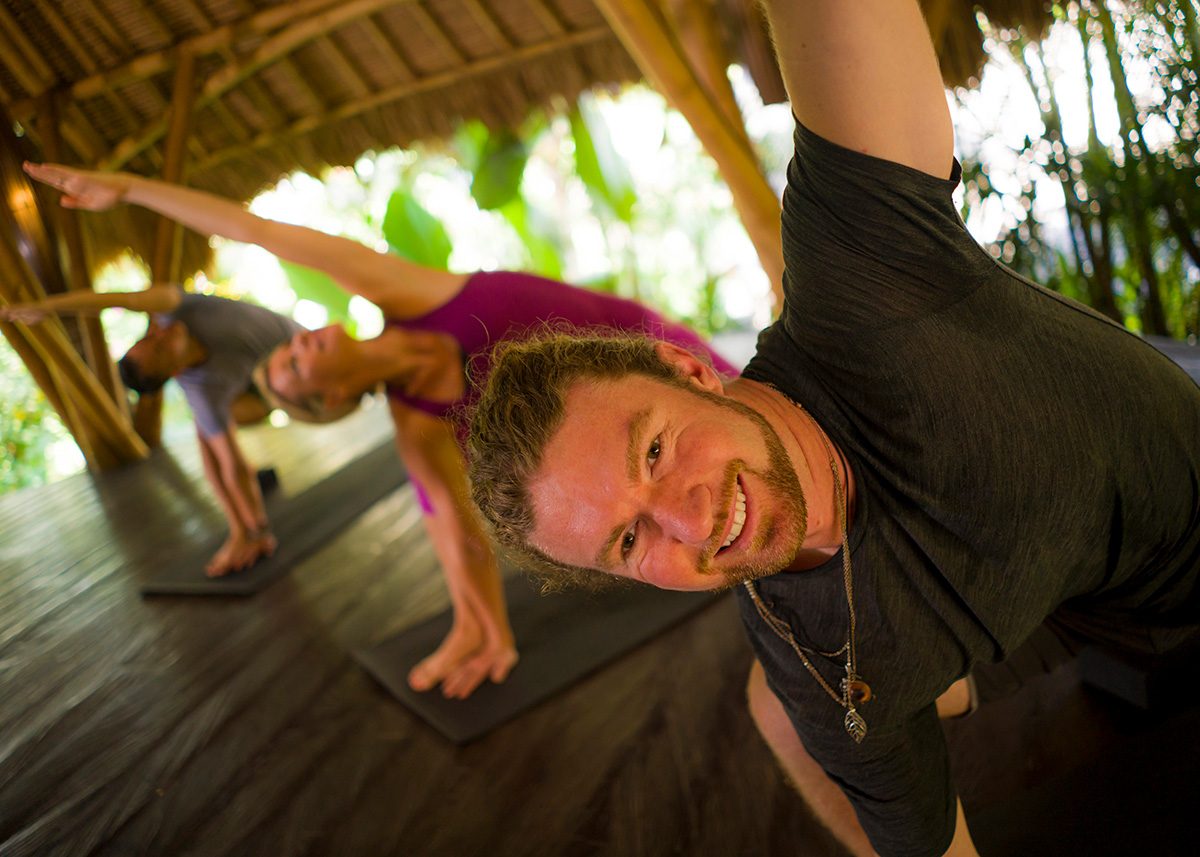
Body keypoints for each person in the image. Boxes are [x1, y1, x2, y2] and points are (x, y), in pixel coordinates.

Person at [464, 2, 1200, 855]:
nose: (690, 518)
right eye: (630, 540)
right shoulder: (820, 665)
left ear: (691, 371)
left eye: (655, 450)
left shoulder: (865, 275)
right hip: (1071, 614)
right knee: (794, 706)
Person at [19, 160, 738, 701]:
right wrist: (481, 628)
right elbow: (454, 534)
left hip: (668, 358)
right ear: (331, 399)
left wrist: (128, 188)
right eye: (294, 370)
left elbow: (259, 232)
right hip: (650, 445)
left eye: (289, 347)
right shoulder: (419, 430)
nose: (297, 345)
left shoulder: (403, 292)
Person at [2, 277, 300, 577]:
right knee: (210, 430)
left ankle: (242, 534)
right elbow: (232, 465)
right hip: (276, 396)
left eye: (148, 337)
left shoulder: (175, 310)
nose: (160, 334)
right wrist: (258, 526)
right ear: (173, 371)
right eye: (159, 349)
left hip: (302, 346)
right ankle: (246, 534)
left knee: (206, 428)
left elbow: (116, 300)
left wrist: (47, 307)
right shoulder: (202, 389)